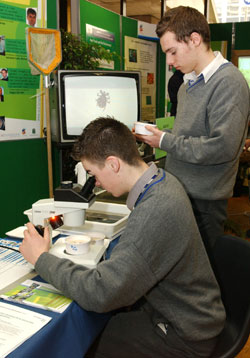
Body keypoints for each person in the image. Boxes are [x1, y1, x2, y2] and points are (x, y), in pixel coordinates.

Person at [20, 117, 225, 358]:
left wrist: (41, 258)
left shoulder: (156, 209)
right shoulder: (162, 181)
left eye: (92, 173)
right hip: (181, 315)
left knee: (86, 345)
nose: (95, 182)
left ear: (113, 164)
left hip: (184, 336)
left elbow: (101, 294)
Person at [135, 6, 250, 258]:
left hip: (205, 204)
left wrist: (164, 140)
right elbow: (187, 138)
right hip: (179, 195)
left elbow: (222, 147)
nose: (169, 61)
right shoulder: (186, 87)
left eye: (172, 51)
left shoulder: (228, 82)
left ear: (195, 39)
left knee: (200, 282)